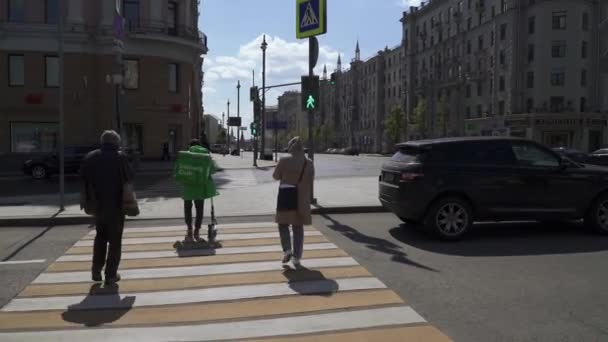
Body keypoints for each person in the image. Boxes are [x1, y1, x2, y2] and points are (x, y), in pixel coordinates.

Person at [80, 130, 133, 285]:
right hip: (116, 206)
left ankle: (96, 270)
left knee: (100, 237)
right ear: (116, 142)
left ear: (102, 142)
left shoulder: (90, 157)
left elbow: (82, 178)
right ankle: (111, 274)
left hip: (97, 205)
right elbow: (129, 177)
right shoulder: (120, 157)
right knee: (115, 241)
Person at [272, 137, 314, 268]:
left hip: (286, 195)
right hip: (301, 196)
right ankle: (297, 257)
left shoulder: (284, 160)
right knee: (298, 226)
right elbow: (311, 179)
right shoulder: (309, 162)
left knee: (283, 224)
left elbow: (275, 176)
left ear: (290, 147)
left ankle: (287, 250)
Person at [174, 139, 218, 240]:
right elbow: (213, 169)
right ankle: (197, 231)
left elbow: (177, 169)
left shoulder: (185, 155)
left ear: (190, 145)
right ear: (200, 145)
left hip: (188, 187)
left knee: (187, 208)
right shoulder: (206, 155)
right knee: (199, 209)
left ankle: (189, 229)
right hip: (200, 187)